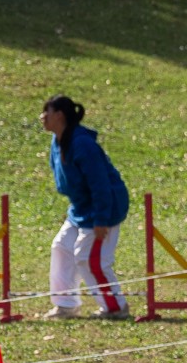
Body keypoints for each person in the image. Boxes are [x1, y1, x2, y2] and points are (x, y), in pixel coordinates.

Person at [39, 95, 130, 319]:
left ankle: (115, 308)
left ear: (59, 115)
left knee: (88, 258)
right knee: (62, 247)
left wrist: (101, 220)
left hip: (104, 208)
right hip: (80, 209)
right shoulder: (58, 141)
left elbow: (100, 185)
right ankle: (66, 305)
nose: (42, 117)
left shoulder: (83, 144)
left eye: (46, 112)